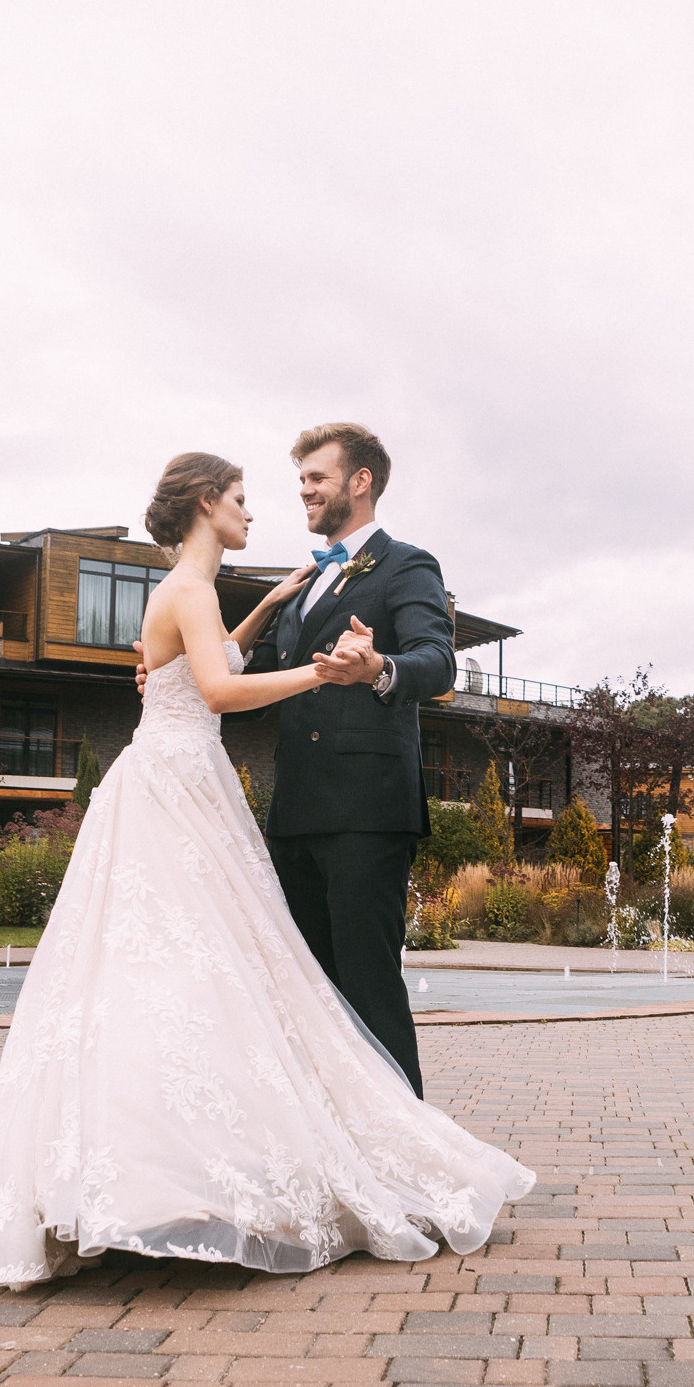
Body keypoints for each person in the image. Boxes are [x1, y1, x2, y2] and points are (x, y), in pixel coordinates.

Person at [0, 451, 531, 1291]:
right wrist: (318, 668)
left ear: (359, 480)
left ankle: (317, 1152)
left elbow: (238, 664)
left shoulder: (280, 581)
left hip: (253, 793)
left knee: (218, 976)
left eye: (310, 479)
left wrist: (273, 621)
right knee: (213, 977)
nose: (266, 506)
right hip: (192, 791)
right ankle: (200, 1174)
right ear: (208, 502)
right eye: (244, 497)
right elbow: (215, 689)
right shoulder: (193, 589)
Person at [238, 423, 452, 1096]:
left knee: (368, 987)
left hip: (366, 811)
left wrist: (379, 667)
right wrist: (176, 679)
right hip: (295, 813)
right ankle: (336, 1142)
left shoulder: (407, 565)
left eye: (316, 478)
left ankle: (409, 1146)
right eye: (301, 479)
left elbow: (436, 661)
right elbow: (258, 682)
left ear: (360, 482)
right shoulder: (303, 582)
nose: (304, 490)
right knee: (309, 996)